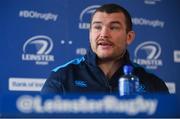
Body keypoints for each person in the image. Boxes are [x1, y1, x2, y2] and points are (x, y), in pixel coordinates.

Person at [41, 3, 169, 94]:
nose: (104, 34)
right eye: (97, 27)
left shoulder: (152, 83)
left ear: (129, 37)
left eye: (113, 27)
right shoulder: (61, 77)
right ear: (90, 34)